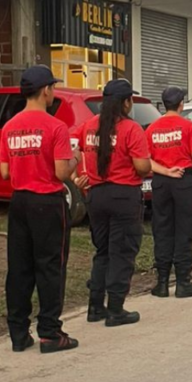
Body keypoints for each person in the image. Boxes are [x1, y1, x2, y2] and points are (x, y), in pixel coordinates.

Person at [0, 65, 79, 352]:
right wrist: (75, 159)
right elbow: (61, 172)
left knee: (19, 269)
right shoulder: (55, 127)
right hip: (47, 202)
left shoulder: (9, 126)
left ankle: (18, 333)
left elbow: (4, 172)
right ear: (45, 90)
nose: (53, 93)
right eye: (53, 88)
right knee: (50, 267)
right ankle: (50, 332)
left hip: (19, 202)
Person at [74, 78, 151, 327]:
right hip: (123, 197)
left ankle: (95, 307)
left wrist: (76, 177)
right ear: (126, 103)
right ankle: (116, 309)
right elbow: (141, 167)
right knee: (123, 252)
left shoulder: (88, 126)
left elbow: (71, 150)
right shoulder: (131, 129)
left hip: (96, 196)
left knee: (103, 251)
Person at [145, 86, 192, 299]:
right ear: (181, 104)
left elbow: (146, 160)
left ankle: (161, 282)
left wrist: (164, 169)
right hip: (184, 181)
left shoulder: (152, 129)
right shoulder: (189, 127)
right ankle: (183, 282)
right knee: (185, 228)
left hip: (161, 182)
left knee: (162, 229)